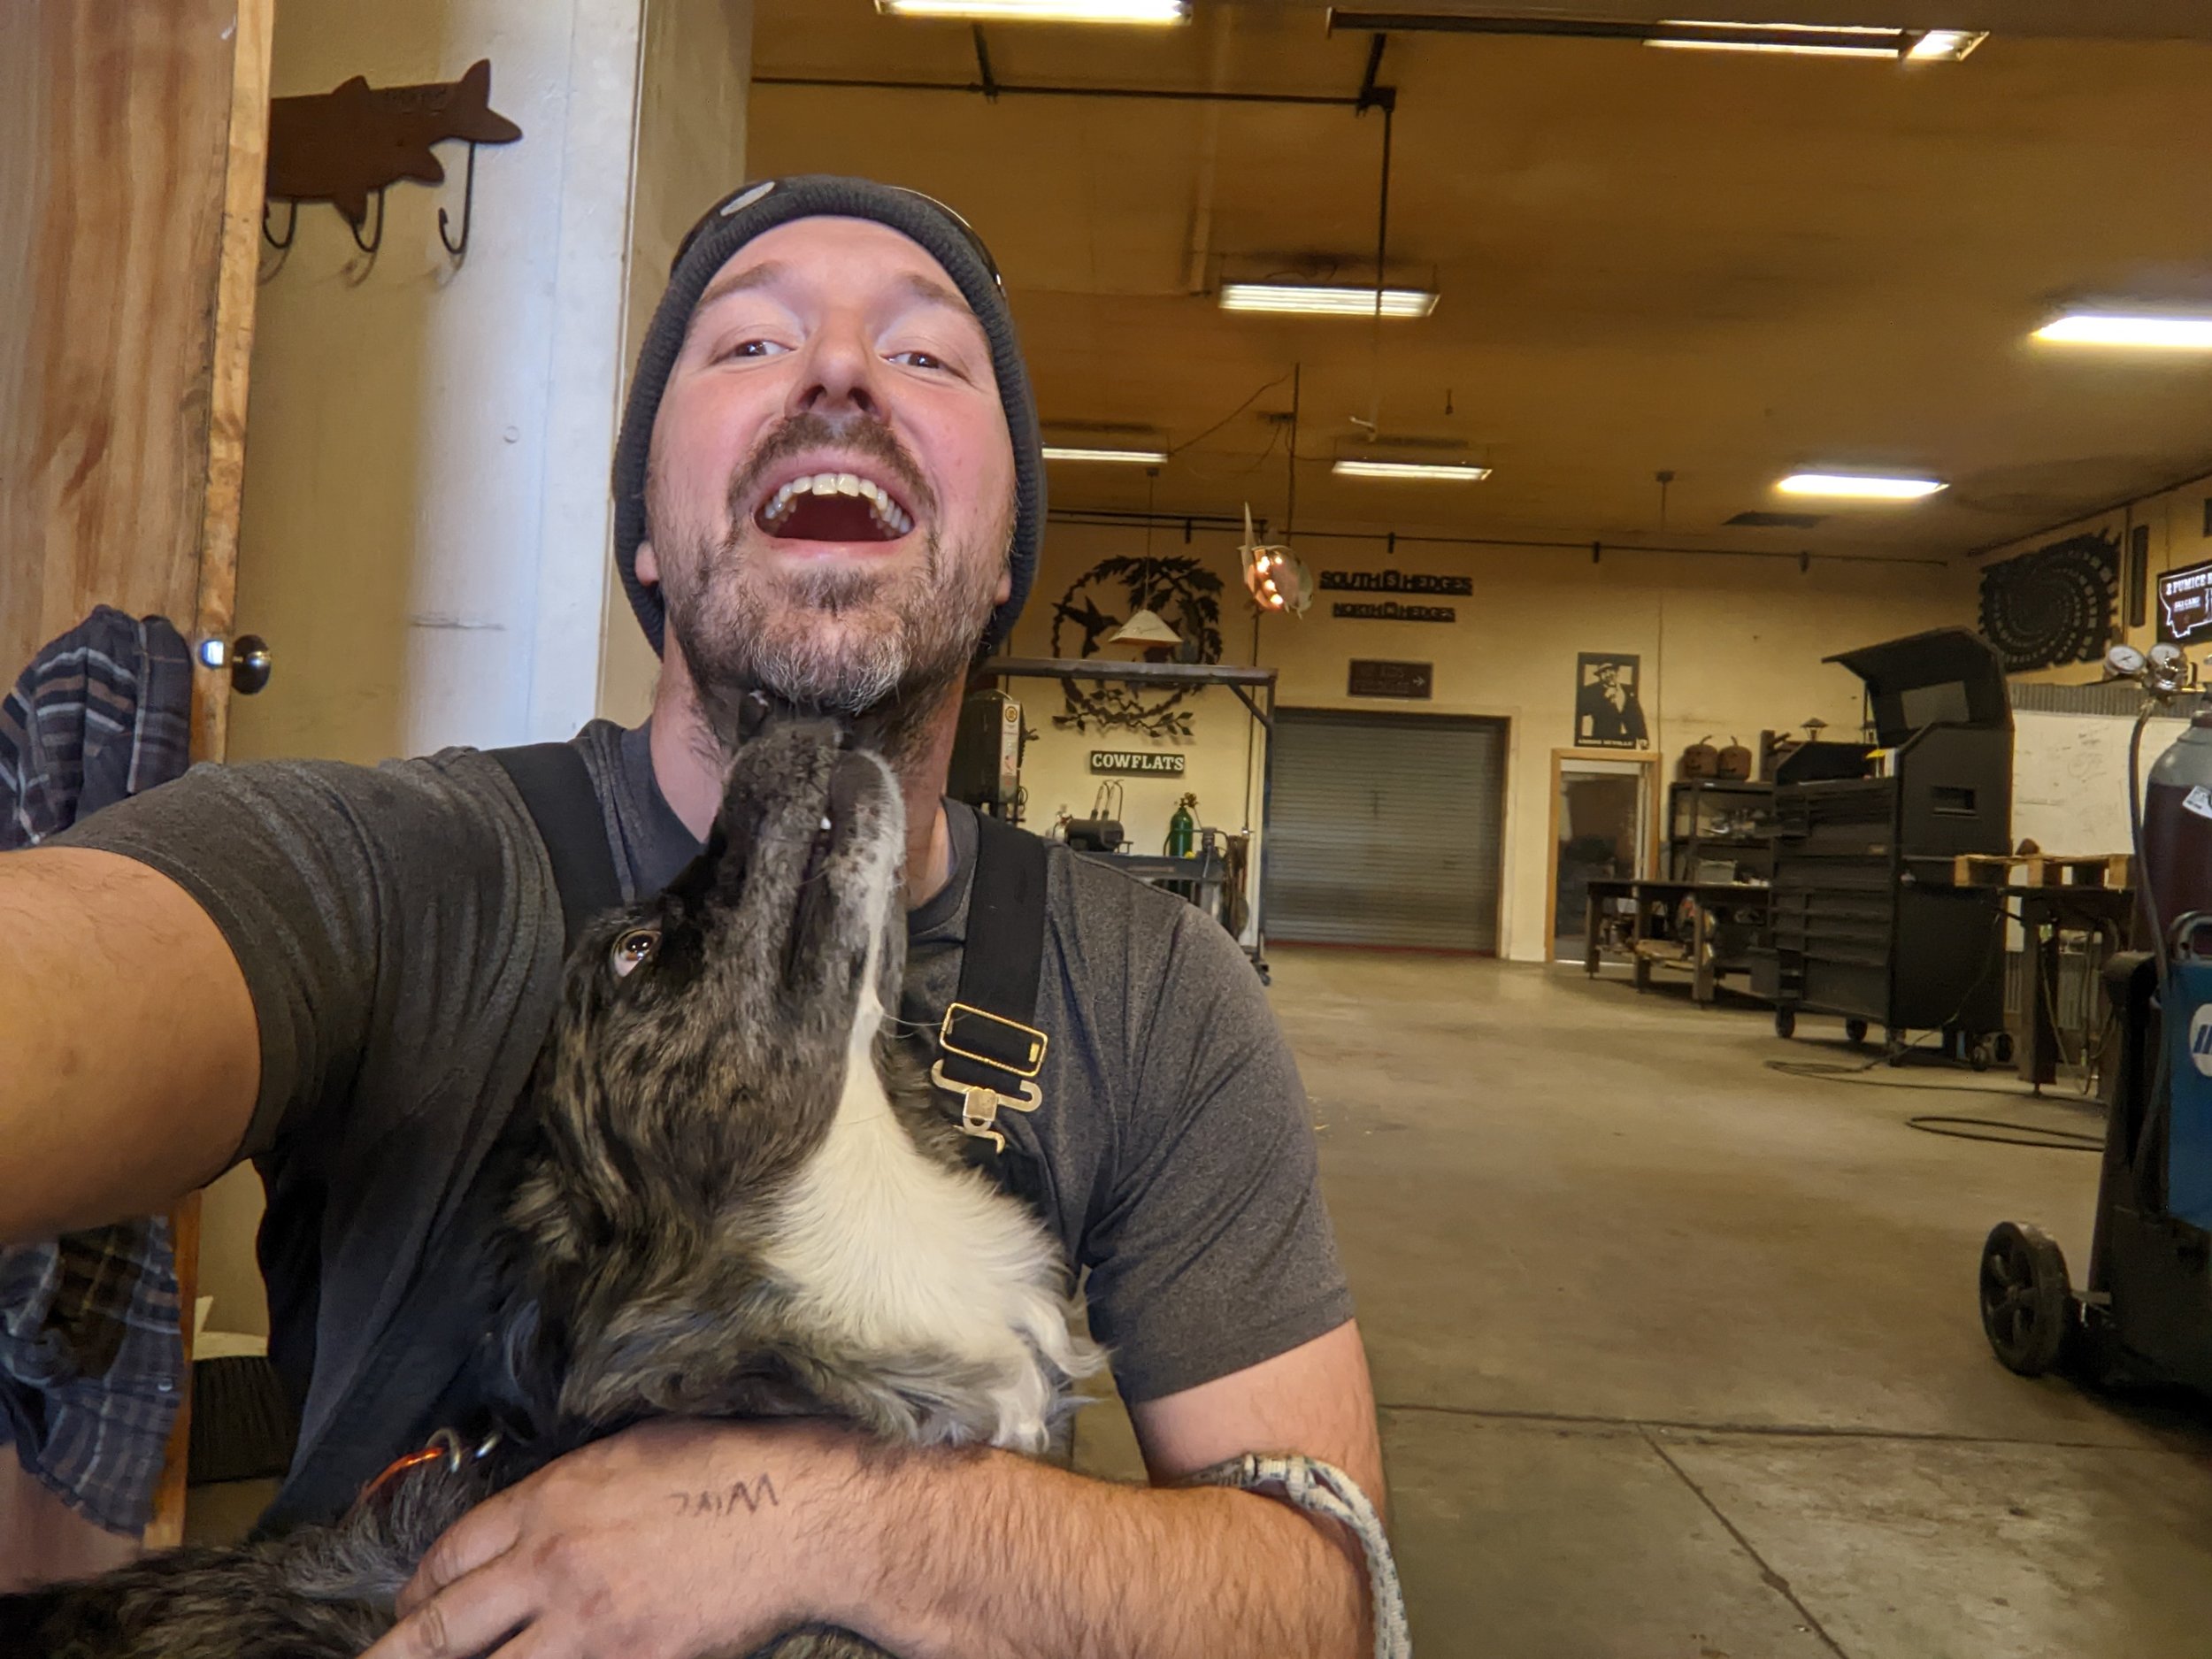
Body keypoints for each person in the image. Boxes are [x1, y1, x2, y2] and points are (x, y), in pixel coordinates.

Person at [0, 176, 1383, 1656]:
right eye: (749, 344)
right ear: (648, 532)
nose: (839, 370)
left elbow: (1322, 1610)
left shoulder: (1153, 994)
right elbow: (78, 974)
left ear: (1002, 566)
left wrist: (823, 1523)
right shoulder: (406, 874)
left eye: (925, 353)